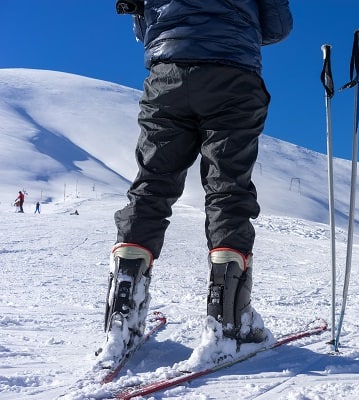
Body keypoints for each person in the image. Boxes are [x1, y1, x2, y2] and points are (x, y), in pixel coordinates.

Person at [101, 0, 293, 362]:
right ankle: (228, 323)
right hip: (233, 74)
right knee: (228, 191)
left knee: (151, 187)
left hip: (167, 76)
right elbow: (278, 26)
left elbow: (146, 30)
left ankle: (122, 317)